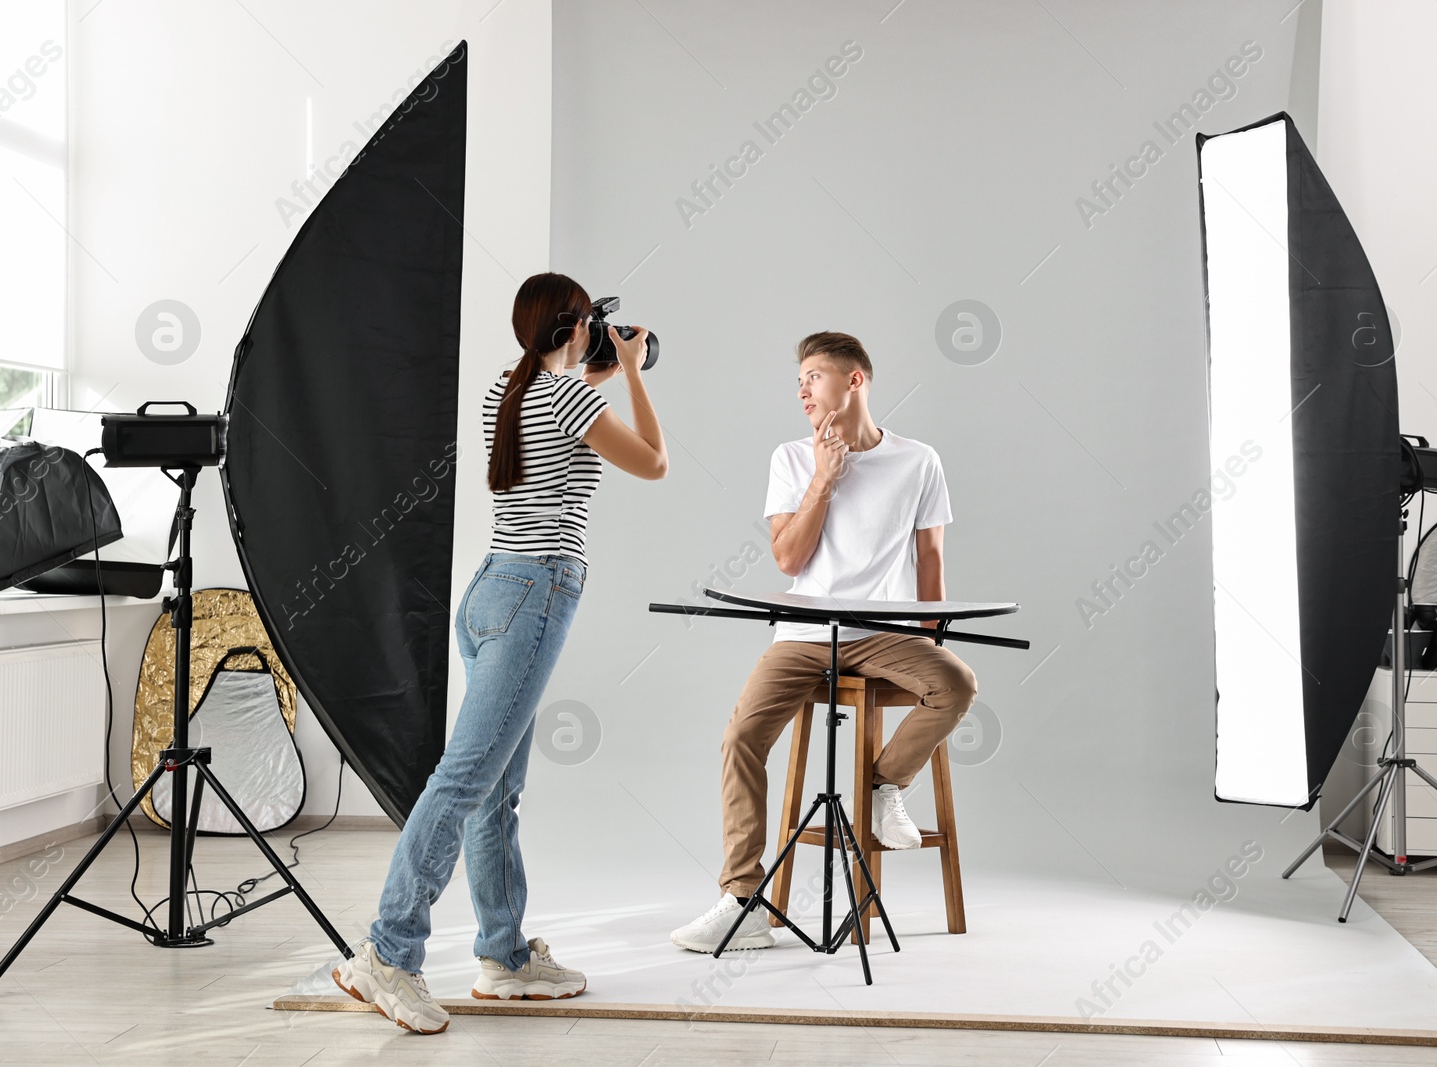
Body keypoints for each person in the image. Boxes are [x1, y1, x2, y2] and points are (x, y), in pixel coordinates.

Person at [334, 272, 668, 1033]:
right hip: (536, 594)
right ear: (579, 325)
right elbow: (653, 460)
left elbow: (557, 414)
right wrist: (635, 378)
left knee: (493, 789)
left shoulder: (507, 391)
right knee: (463, 780)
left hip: (489, 591)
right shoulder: (574, 400)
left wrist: (592, 369)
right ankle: (388, 950)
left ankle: (504, 956)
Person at [669, 331, 977, 954]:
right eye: (800, 380)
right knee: (741, 739)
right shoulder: (791, 457)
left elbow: (931, 560)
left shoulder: (920, 461)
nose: (803, 390)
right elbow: (787, 559)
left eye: (814, 376)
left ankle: (882, 787)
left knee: (955, 684)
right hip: (805, 635)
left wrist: (930, 634)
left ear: (854, 380)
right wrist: (825, 478)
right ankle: (742, 901)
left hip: (879, 635)